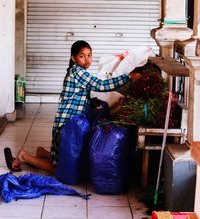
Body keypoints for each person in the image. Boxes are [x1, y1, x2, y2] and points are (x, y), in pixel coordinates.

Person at [4, 40, 142, 174]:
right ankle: (24, 157)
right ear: (73, 58)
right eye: (82, 56)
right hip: (67, 125)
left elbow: (79, 94)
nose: (87, 59)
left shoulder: (76, 70)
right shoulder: (78, 72)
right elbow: (100, 85)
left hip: (67, 122)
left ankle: (41, 152)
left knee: (63, 157)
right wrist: (128, 77)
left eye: (89, 55)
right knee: (60, 169)